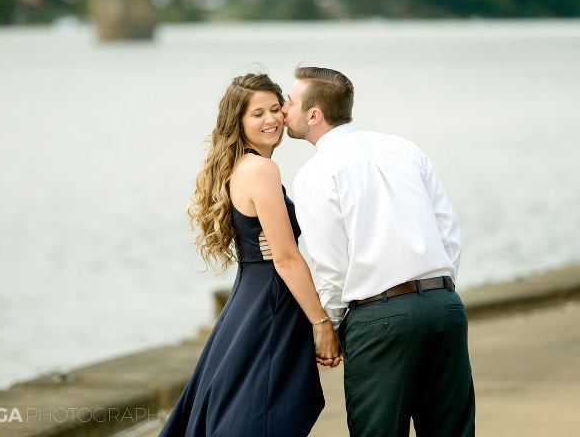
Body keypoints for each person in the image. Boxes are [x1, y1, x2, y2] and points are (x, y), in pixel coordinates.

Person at [282, 66, 475, 437]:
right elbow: (449, 231)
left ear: (314, 114)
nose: (283, 109)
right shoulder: (405, 148)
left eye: (290, 102)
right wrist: (439, 291)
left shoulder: (315, 174)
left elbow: (331, 265)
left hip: (379, 319)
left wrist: (332, 328)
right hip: (445, 307)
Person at [158, 72, 341, 437]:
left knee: (244, 409)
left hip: (251, 300)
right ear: (238, 121)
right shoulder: (261, 169)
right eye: (257, 113)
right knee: (259, 418)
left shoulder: (242, 165)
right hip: (269, 305)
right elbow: (286, 258)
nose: (271, 119)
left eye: (276, 108)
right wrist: (322, 326)